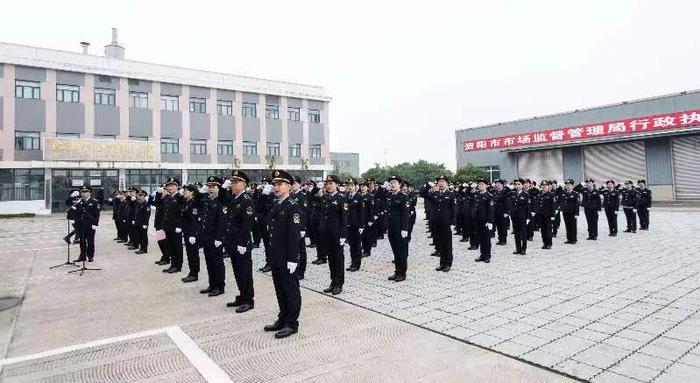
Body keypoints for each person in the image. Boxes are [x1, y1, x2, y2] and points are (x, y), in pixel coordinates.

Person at [263, 169, 303, 339]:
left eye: (279, 184)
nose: (276, 187)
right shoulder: (276, 204)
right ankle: (283, 317)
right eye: (274, 184)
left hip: (287, 257)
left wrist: (293, 258)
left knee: (290, 289)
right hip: (276, 256)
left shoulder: (293, 207)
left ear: (289, 186)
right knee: (280, 289)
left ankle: (292, 323)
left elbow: (294, 236)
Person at [222, 171, 256, 313]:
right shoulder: (234, 198)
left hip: (242, 243)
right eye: (232, 182)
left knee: (245, 272)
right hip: (233, 242)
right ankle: (242, 296)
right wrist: (223, 188)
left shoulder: (247, 200)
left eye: (236, 182)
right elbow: (222, 201)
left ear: (244, 184)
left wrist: (243, 243)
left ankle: (249, 300)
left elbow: (247, 224)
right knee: (237, 271)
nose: (233, 185)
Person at [319, 175, 348, 295]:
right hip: (327, 234)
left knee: (338, 259)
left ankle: (339, 284)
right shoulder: (325, 198)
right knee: (331, 259)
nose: (329, 186)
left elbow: (344, 219)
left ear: (336, 184)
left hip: (337, 234)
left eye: (331, 183)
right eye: (327, 183)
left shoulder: (341, 198)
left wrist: (343, 236)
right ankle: (333, 281)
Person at [198, 176, 226, 297]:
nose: (210, 189)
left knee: (217, 263)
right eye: (209, 187)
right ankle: (212, 284)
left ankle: (220, 286)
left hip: (216, 238)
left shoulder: (221, 202)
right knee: (209, 262)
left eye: (213, 187)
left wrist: (219, 238)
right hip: (207, 237)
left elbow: (222, 222)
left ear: (219, 188)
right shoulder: (208, 200)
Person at [428, 175, 456, 272]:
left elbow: (454, 210)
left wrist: (453, 223)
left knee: (447, 244)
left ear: (446, 183)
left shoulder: (451, 194)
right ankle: (442, 263)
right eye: (439, 182)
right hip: (437, 222)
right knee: (440, 243)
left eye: (443, 181)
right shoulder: (435, 194)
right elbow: (424, 194)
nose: (441, 183)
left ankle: (448, 263)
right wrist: (430, 186)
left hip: (446, 223)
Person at [386, 176, 410, 280]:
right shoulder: (390, 196)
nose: (392, 184)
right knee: (395, 250)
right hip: (391, 228)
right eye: (391, 183)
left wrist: (404, 229)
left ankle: (402, 273)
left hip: (400, 229)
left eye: (394, 182)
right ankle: (397, 271)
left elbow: (405, 214)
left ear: (399, 184)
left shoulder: (404, 196)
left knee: (402, 251)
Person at [162, 178, 184, 274]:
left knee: (177, 247)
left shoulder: (180, 198)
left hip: (176, 228)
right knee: (170, 246)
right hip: (168, 227)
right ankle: (173, 264)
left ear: (177, 187)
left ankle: (177, 266)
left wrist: (180, 225)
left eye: (172, 185)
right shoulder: (168, 197)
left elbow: (181, 213)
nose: (170, 187)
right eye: (168, 186)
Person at [74, 185, 100, 262]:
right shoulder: (79, 202)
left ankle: (90, 256)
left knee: (90, 241)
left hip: (90, 225)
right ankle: (82, 256)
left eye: (86, 192)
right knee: (82, 241)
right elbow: (76, 214)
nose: (83, 194)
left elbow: (97, 214)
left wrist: (95, 224)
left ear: (89, 193)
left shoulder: (94, 202)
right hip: (81, 225)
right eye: (82, 192)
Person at [345, 177, 366, 272]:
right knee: (351, 245)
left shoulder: (359, 197)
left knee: (357, 245)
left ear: (355, 186)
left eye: (352, 185)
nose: (350, 187)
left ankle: (357, 264)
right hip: (348, 224)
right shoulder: (346, 196)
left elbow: (362, 213)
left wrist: (361, 225)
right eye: (348, 185)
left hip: (356, 224)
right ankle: (353, 262)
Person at [181, 184, 201, 283]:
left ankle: (194, 273)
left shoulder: (194, 203)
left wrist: (193, 234)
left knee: (193, 253)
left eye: (186, 191)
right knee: (189, 253)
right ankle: (191, 272)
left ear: (192, 192)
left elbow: (194, 220)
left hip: (191, 233)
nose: (184, 192)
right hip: (186, 231)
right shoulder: (187, 202)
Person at [289, 176, 308, 279]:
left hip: (300, 227)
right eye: (292, 183)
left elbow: (304, 214)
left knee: (301, 250)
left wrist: (303, 228)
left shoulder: (302, 196)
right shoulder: (291, 196)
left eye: (295, 183)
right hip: (293, 227)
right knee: (295, 249)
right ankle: (296, 268)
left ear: (300, 184)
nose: (293, 185)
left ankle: (301, 271)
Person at [473, 179, 494, 263]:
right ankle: (482, 255)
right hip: (478, 220)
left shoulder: (489, 195)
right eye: (479, 184)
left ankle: (487, 256)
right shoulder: (476, 194)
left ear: (486, 186)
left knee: (487, 239)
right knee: (480, 238)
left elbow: (491, 210)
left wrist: (490, 221)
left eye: (482, 184)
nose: (480, 185)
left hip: (486, 221)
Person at [509, 178, 530, 255]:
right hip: (515, 217)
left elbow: (528, 207)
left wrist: (528, 217)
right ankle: (518, 248)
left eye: (519, 184)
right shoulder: (512, 194)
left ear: (522, 185)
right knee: (516, 233)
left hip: (523, 217)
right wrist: (511, 213)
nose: (517, 186)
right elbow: (510, 205)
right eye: (516, 184)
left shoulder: (526, 194)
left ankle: (524, 249)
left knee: (523, 233)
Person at [537, 180, 556, 250]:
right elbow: (538, 204)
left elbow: (553, 206)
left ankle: (549, 243)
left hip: (548, 215)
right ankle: (544, 243)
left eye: (545, 185)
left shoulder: (551, 194)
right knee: (543, 230)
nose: (544, 186)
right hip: (541, 215)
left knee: (548, 230)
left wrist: (553, 215)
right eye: (542, 185)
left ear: (548, 186)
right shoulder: (539, 194)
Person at [560, 179, 580, 244]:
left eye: (569, 185)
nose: (568, 186)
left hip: (573, 213)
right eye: (566, 185)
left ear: (573, 186)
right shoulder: (563, 193)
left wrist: (577, 213)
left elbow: (577, 204)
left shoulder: (575, 194)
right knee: (567, 225)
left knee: (573, 226)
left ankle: (574, 239)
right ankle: (569, 239)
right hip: (565, 212)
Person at [492, 179, 510, 246]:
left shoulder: (506, 192)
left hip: (503, 211)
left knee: (503, 226)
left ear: (502, 184)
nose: (497, 185)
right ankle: (500, 239)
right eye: (496, 183)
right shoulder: (494, 191)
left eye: (499, 183)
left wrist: (507, 212)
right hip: (496, 211)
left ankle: (503, 240)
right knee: (498, 226)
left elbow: (508, 203)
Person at [133, 189, 151, 254]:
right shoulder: (139, 203)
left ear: (144, 196)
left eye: (141, 195)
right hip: (138, 223)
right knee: (139, 236)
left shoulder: (146, 204)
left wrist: (145, 224)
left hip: (143, 224)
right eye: (139, 195)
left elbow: (147, 215)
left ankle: (144, 249)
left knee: (144, 237)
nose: (139, 197)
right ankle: (141, 248)